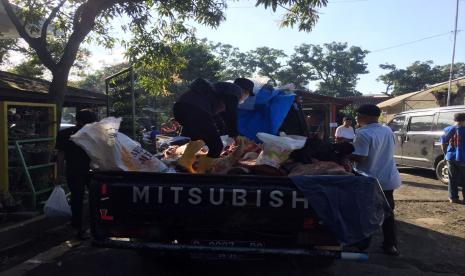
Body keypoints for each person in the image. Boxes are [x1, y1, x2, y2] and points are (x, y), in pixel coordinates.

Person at [351, 104, 401, 256]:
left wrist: (343, 153)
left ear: (363, 116)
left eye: (357, 115)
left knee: (365, 211)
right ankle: (390, 245)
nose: (356, 118)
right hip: (388, 178)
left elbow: (360, 157)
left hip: (369, 180)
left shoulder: (363, 134)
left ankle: (363, 244)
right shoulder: (387, 130)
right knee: (388, 213)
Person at [173, 78, 248, 174]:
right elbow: (231, 112)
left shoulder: (217, 90)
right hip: (196, 109)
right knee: (216, 146)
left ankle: (183, 166)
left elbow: (222, 117)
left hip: (180, 108)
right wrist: (234, 133)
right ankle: (203, 172)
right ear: (245, 91)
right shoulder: (235, 90)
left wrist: (227, 131)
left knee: (198, 138)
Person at [56, 109, 97, 239]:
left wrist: (59, 174)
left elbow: (61, 155)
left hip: (74, 171)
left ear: (76, 119)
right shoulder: (94, 134)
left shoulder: (64, 133)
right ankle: (96, 225)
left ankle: (78, 228)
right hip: (94, 172)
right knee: (97, 198)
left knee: (76, 199)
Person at [440, 113, 465, 204]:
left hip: (450, 157)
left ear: (454, 120)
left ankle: (453, 198)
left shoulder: (446, 129)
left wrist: (446, 155)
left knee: (452, 179)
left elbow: (443, 144)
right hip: (463, 158)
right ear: (463, 120)